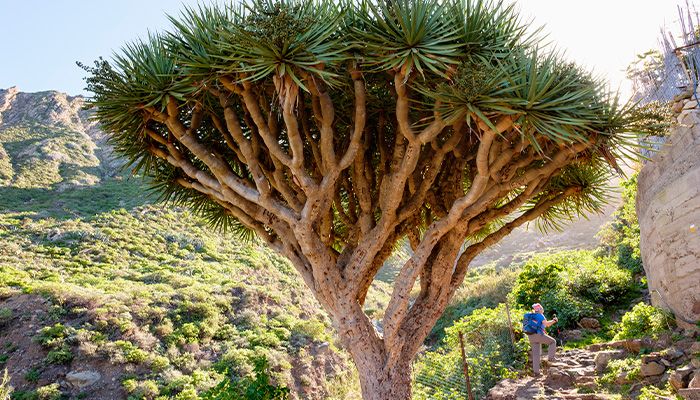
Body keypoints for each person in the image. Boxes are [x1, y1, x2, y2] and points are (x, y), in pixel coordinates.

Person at [524, 303, 558, 376]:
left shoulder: (532, 315)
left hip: (531, 336)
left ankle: (536, 372)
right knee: (553, 342)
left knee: (536, 355)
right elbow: (547, 324)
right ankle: (551, 358)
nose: (543, 309)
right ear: (539, 309)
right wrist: (554, 321)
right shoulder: (540, 315)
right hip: (538, 335)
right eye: (542, 308)